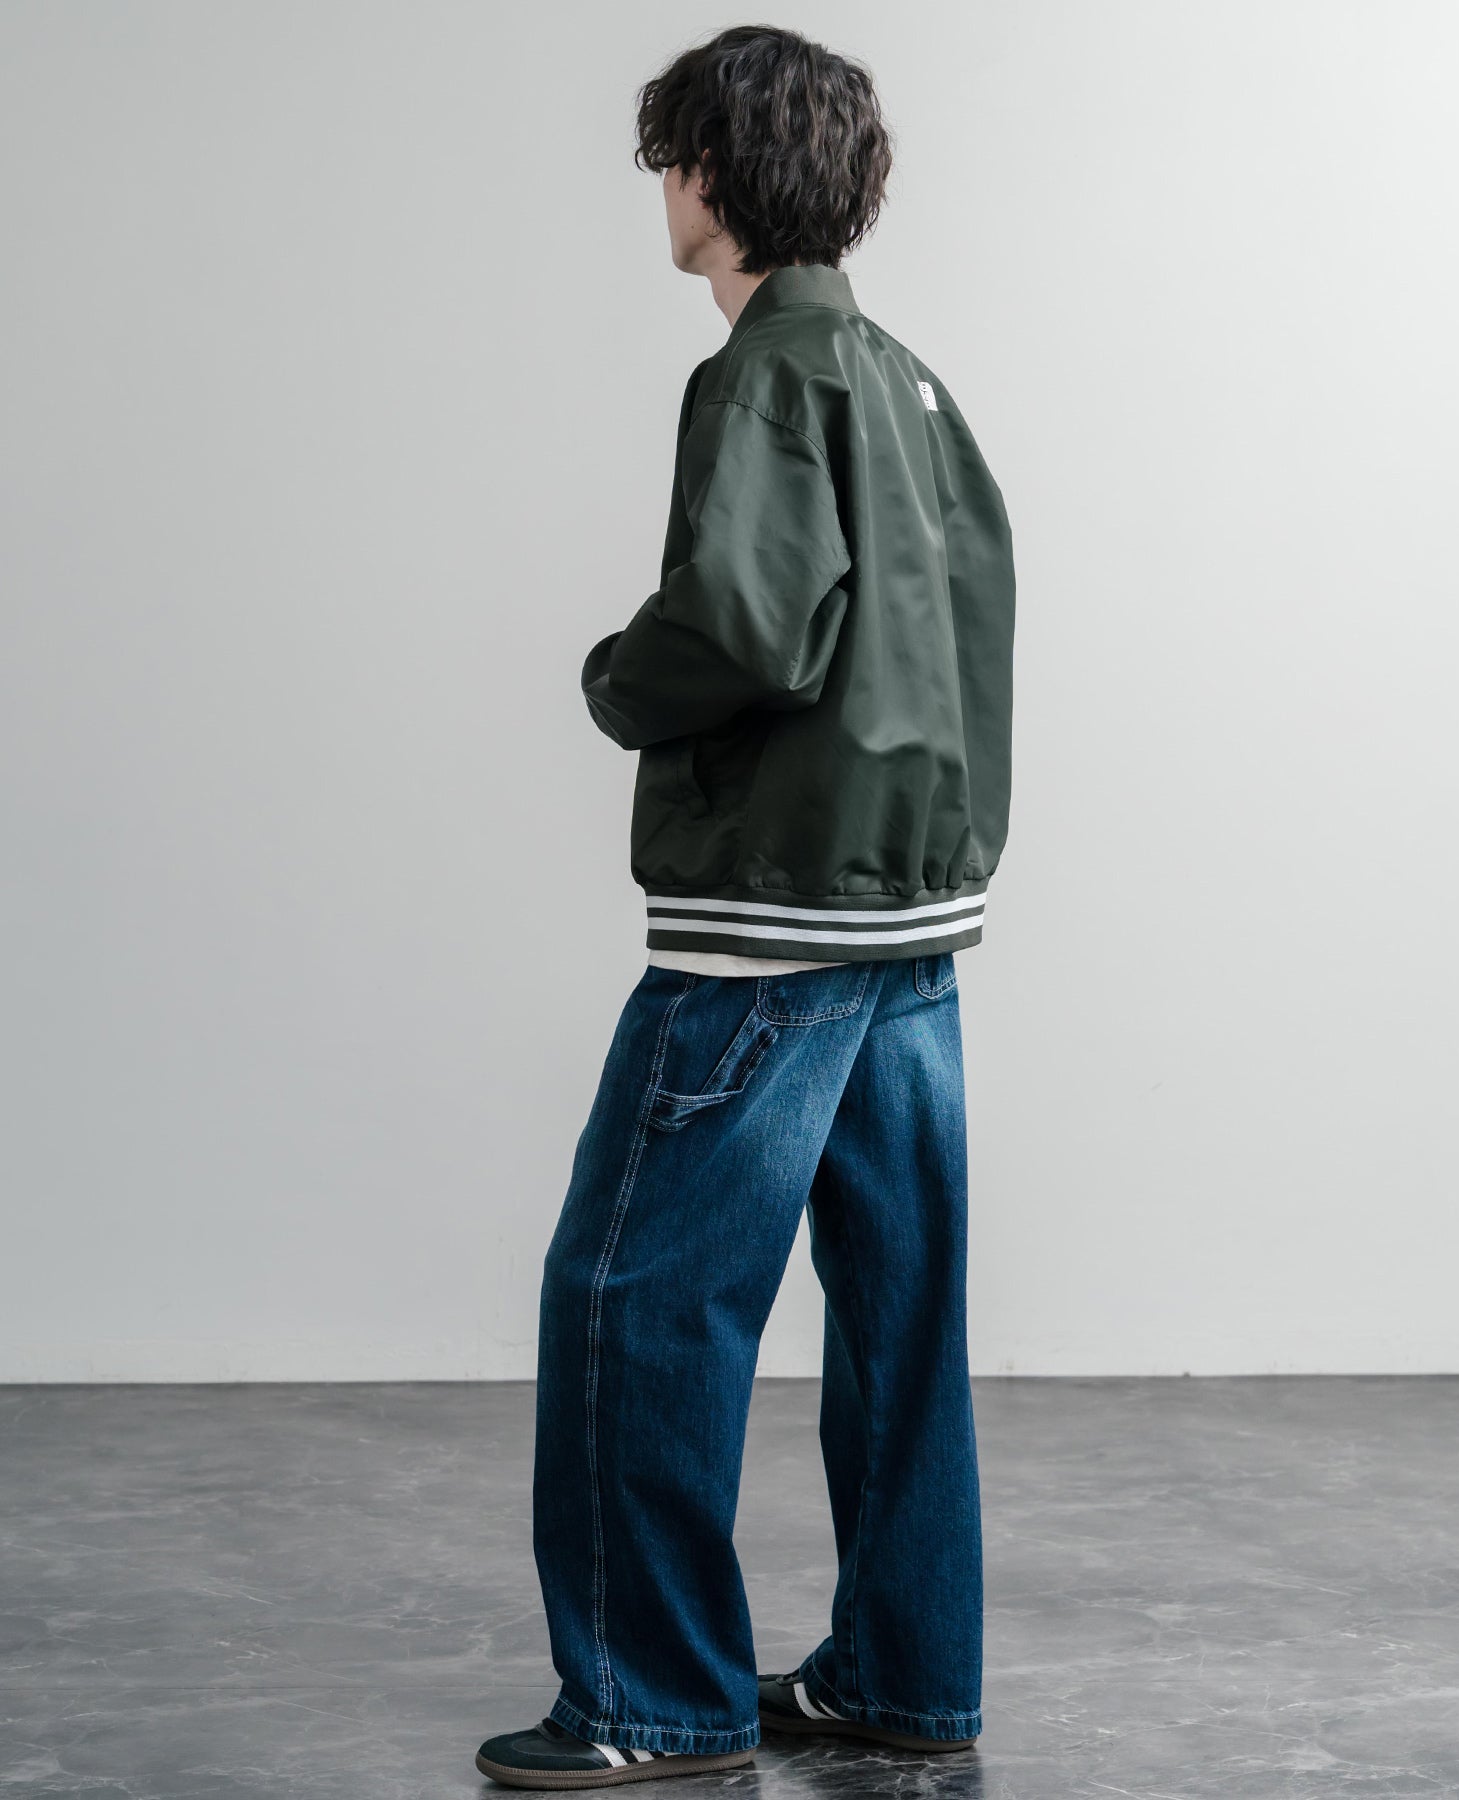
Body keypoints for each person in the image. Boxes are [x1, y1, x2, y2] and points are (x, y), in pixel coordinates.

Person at [476, 23, 1016, 1790]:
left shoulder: (766, 375)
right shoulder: (912, 386)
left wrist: (615, 678)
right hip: (906, 928)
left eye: (676, 157)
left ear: (720, 173)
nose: (665, 187)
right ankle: (906, 1678)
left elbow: (746, 626)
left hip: (770, 926)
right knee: (901, 1318)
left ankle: (651, 1697)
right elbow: (965, 636)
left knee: (632, 1291)